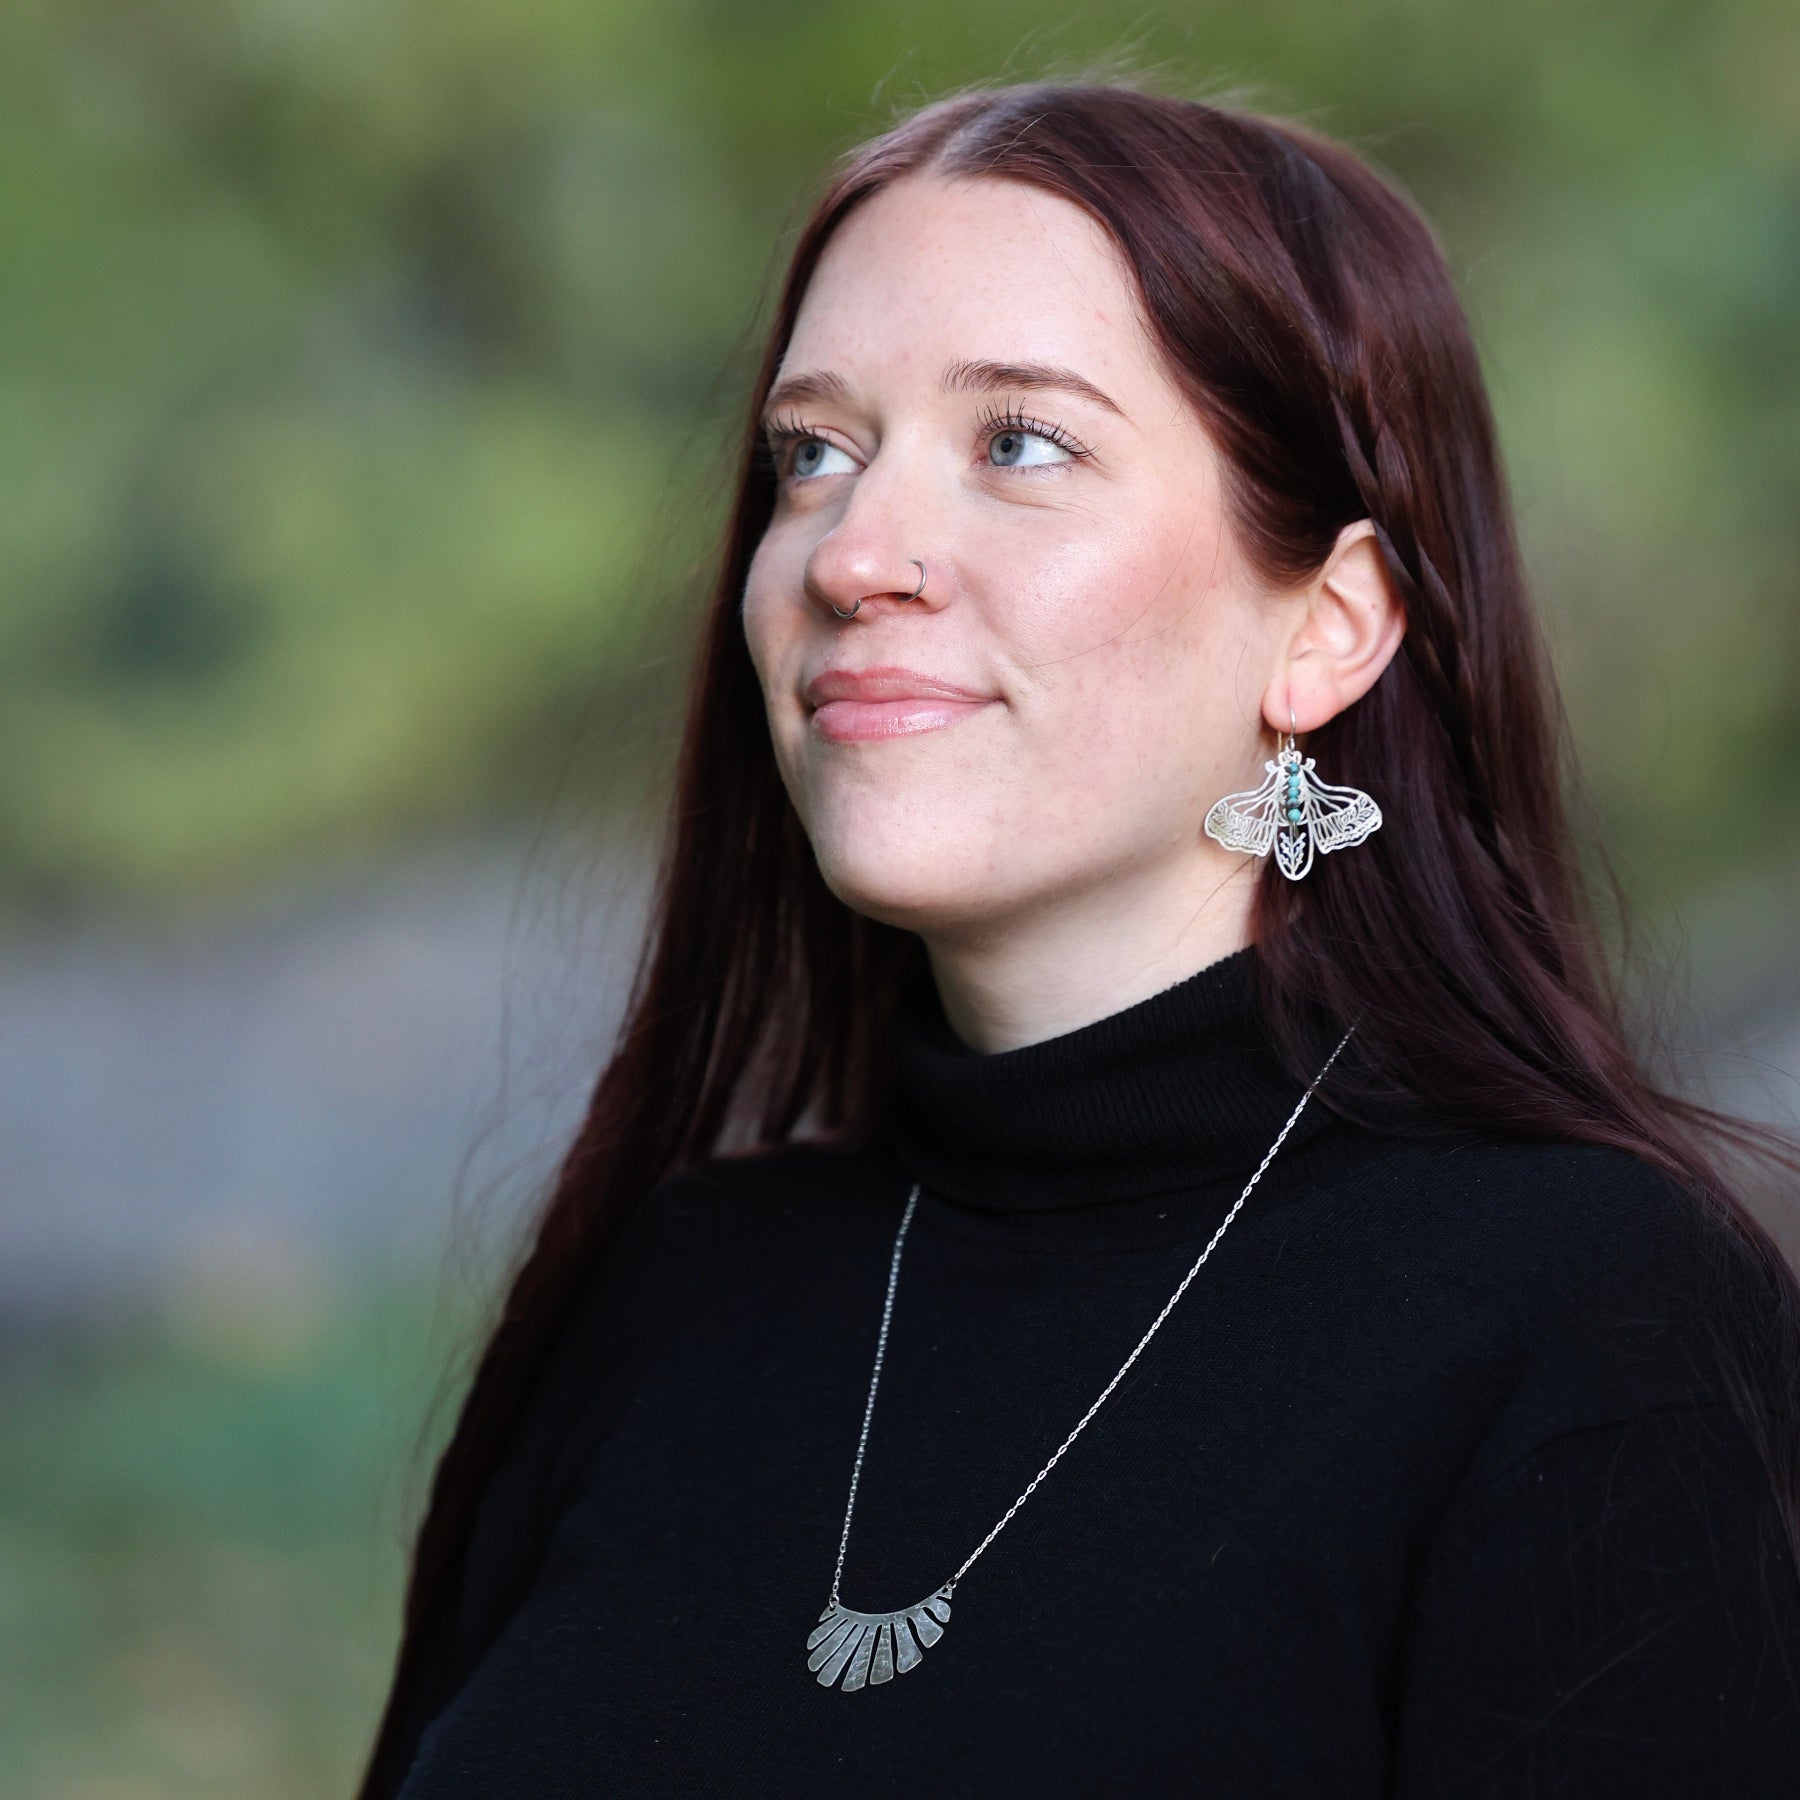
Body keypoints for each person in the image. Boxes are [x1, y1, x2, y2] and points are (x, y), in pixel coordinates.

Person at [358, 81, 1800, 1796]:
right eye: (813, 453)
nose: (855, 554)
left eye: (1018, 443)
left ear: (1330, 629)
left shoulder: (1589, 1317)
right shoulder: (680, 1291)